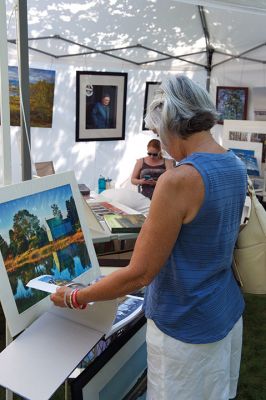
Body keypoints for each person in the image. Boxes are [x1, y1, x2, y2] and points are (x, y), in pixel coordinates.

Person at [51, 75, 247, 400]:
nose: (160, 143)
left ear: (172, 125)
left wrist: (76, 296)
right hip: (223, 313)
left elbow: (140, 273)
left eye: (158, 133)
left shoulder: (179, 180)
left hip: (183, 328)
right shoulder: (234, 164)